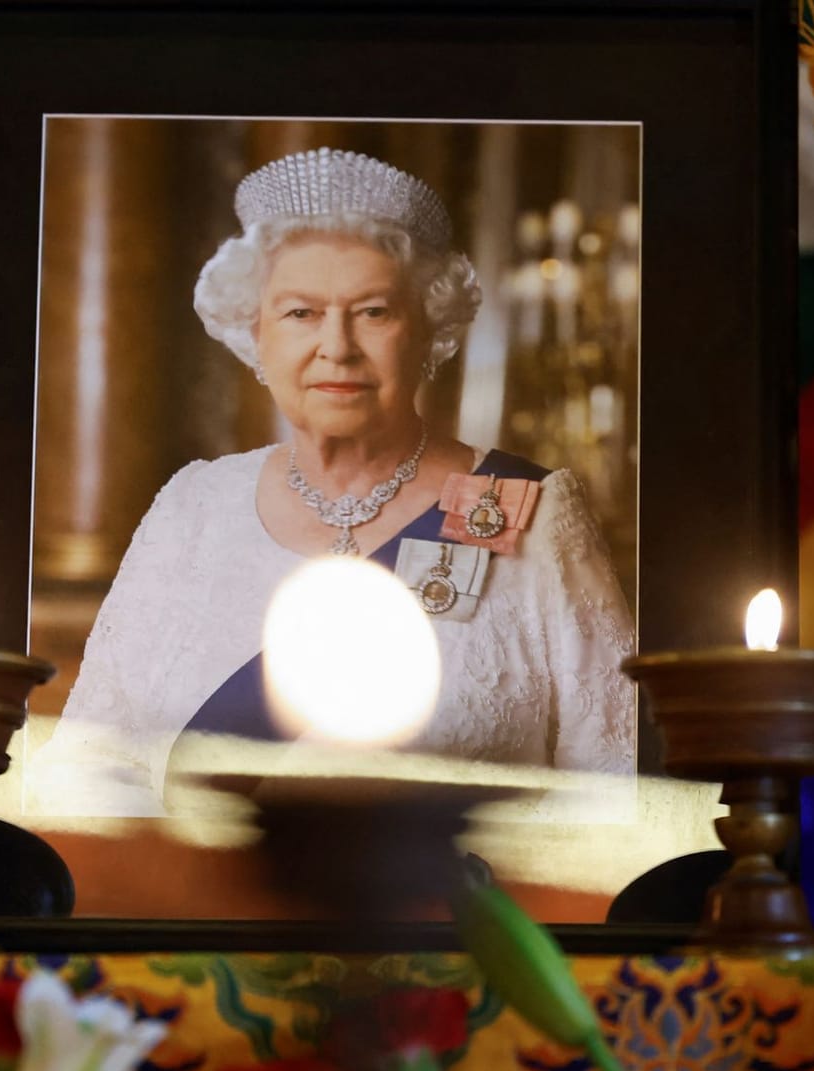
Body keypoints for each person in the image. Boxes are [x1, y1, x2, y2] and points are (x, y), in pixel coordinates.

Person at [51, 148, 634, 816]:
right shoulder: (193, 507)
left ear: (429, 333)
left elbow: (613, 791)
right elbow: (86, 767)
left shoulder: (530, 512)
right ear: (256, 335)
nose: (337, 346)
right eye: (301, 313)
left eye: (373, 312)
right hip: (201, 916)